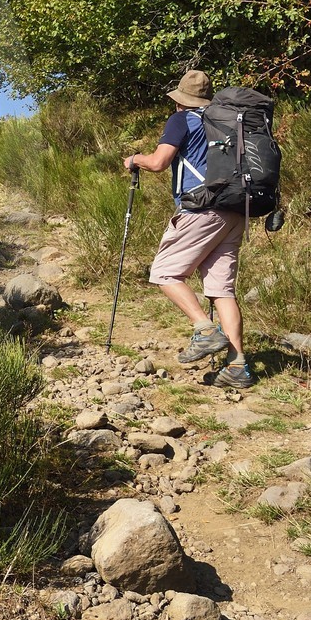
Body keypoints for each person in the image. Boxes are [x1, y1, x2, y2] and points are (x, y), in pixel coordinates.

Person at [122, 70, 253, 389]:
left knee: (164, 272)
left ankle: (204, 329)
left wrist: (135, 159)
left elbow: (159, 162)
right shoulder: (228, 122)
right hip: (236, 210)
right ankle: (238, 366)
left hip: (201, 209)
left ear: (182, 100)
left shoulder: (181, 120)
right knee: (221, 290)